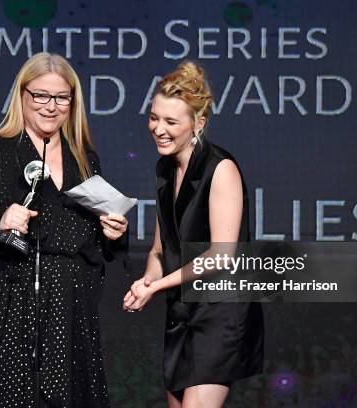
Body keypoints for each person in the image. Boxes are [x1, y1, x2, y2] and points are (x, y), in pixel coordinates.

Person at [0, 52, 128, 408]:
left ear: (73, 102)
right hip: (7, 299)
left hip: (70, 306)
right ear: (22, 95)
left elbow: (89, 238)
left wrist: (112, 232)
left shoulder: (85, 159)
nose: (50, 106)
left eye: (61, 97)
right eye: (40, 95)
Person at [123, 61, 263, 407]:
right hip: (182, 314)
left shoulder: (221, 168)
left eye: (171, 121)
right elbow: (160, 248)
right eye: (154, 118)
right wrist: (146, 281)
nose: (158, 129)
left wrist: (158, 286)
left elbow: (221, 255)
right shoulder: (165, 168)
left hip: (219, 315)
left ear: (199, 123)